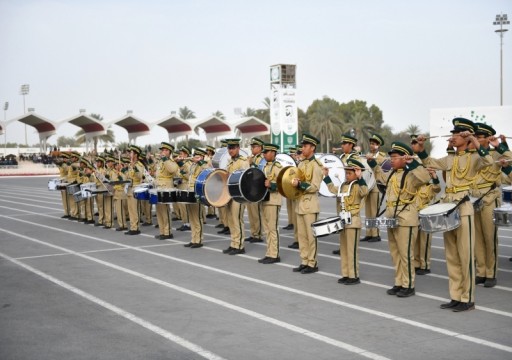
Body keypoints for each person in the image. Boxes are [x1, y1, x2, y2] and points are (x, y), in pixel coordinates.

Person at [415, 118, 494, 311]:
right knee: (451, 255)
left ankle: (468, 298)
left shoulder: (474, 157)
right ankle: (456, 295)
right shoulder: (451, 158)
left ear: (466, 137)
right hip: (448, 206)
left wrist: (475, 141)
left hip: (463, 208)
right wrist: (421, 147)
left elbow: (489, 161)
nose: (453, 137)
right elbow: (429, 162)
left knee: (465, 254)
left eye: (457, 134)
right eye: (453, 134)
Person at [368, 142, 430, 297]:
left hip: (406, 218)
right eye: (391, 157)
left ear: (404, 158)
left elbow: (425, 177)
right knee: (395, 253)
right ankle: (398, 282)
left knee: (405, 254)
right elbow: (380, 177)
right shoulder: (392, 174)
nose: (392, 160)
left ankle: (408, 285)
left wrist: (413, 163)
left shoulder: (412, 174)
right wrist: (373, 163)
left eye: (395, 157)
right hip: (391, 217)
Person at [470, 124, 512, 287]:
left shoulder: (496, 153)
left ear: (487, 138)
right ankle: (481, 271)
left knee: (489, 237)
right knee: (478, 238)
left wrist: (499, 145)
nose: (476, 140)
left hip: (489, 198)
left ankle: (491, 273)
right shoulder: (473, 154)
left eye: (479, 137)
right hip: (474, 199)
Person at [323, 158, 368, 284]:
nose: (347, 175)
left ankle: (354, 276)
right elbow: (332, 189)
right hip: (343, 220)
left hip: (353, 221)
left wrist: (360, 178)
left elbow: (364, 192)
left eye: (350, 173)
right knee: (344, 249)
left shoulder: (359, 185)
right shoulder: (343, 185)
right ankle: (346, 273)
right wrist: (326, 177)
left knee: (352, 250)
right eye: (346, 173)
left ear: (356, 173)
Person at [291, 134, 323, 274]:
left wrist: (301, 185)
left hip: (310, 205)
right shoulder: (302, 163)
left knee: (311, 237)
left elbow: (315, 186)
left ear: (312, 148)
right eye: (302, 146)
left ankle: (312, 263)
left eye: (305, 146)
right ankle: (304, 260)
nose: (302, 148)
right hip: (300, 204)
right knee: (302, 236)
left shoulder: (317, 166)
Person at [332, 134, 361, 254]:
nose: (342, 146)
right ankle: (342, 246)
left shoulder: (356, 158)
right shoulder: (341, 157)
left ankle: (349, 246)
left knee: (349, 219)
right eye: (342, 144)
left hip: (350, 192)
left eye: (344, 144)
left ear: (351, 145)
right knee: (341, 218)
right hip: (341, 191)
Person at [222, 139, 250, 255]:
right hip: (230, 194)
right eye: (229, 148)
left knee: (237, 220)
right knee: (231, 220)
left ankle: (239, 245)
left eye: (233, 148)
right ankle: (233, 243)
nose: (231, 150)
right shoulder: (229, 162)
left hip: (239, 195)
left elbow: (246, 179)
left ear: (238, 148)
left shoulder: (243, 161)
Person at [258, 143, 283, 264]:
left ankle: (274, 254)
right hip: (264, 200)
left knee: (273, 228)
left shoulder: (278, 167)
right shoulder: (263, 166)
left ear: (273, 153)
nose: (264, 154)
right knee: (267, 229)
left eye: (266, 152)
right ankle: (269, 252)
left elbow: (284, 184)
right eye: (263, 152)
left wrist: (272, 185)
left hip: (273, 201)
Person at [183, 148, 210, 248]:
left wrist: (200, 161)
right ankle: (193, 238)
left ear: (202, 157)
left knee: (197, 217)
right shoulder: (193, 165)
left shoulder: (203, 164)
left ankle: (198, 240)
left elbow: (207, 169)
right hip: (190, 191)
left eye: (198, 156)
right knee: (192, 217)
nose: (195, 158)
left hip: (197, 192)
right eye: (195, 156)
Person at [362, 134, 386, 243]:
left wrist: (371, 160)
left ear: (378, 145)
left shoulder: (381, 156)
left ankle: (376, 234)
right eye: (371, 143)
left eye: (374, 144)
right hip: (368, 185)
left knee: (374, 212)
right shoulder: (368, 155)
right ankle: (369, 233)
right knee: (368, 211)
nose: (371, 145)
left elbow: (377, 167)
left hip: (376, 185)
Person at [154, 142, 179, 240]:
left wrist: (165, 159)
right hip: (159, 187)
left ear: (170, 152)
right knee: (159, 211)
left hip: (166, 188)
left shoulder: (171, 162)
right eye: (162, 150)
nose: (163, 152)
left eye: (165, 150)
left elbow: (172, 170)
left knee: (165, 211)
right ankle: (162, 231)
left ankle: (168, 232)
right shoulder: (160, 161)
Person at [246, 137, 265, 243]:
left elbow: (260, 172)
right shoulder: (252, 157)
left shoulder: (262, 158)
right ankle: (253, 233)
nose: (252, 149)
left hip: (257, 188)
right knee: (251, 212)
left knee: (256, 212)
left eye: (254, 147)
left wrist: (251, 163)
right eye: (251, 147)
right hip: (250, 187)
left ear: (260, 147)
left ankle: (258, 234)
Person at [124, 145, 145, 235]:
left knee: (135, 209)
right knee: (131, 210)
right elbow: (129, 176)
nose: (129, 154)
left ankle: (135, 228)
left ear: (136, 154)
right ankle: (132, 226)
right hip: (129, 188)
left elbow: (140, 176)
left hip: (136, 188)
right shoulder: (130, 164)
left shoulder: (139, 165)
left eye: (131, 152)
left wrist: (134, 167)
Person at [176, 146, 192, 231]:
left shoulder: (188, 164)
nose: (179, 155)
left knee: (185, 207)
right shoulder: (180, 163)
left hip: (185, 186)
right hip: (180, 186)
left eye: (181, 154)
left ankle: (188, 223)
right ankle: (184, 222)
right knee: (181, 207)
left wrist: (182, 171)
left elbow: (189, 176)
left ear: (186, 154)